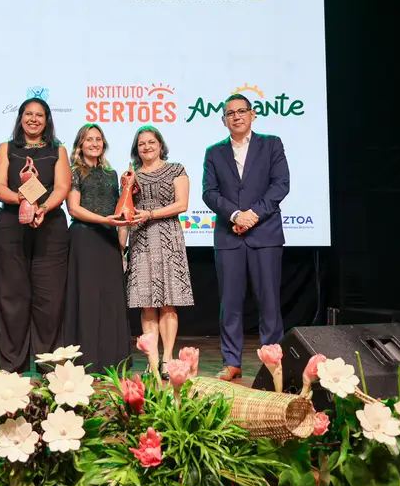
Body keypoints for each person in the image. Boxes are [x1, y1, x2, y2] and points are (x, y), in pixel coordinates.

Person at [202, 93, 290, 380]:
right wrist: (235, 216)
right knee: (230, 304)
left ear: (252, 115)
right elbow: (209, 193)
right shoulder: (214, 152)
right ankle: (232, 362)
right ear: (223, 120)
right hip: (229, 237)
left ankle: (272, 363)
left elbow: (281, 184)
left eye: (242, 111)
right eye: (230, 113)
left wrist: (253, 214)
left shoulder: (272, 144)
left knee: (269, 303)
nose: (236, 116)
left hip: (265, 234)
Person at [0, 97, 71, 373]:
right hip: (11, 226)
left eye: (39, 115)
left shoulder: (58, 150)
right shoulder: (7, 148)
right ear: (20, 118)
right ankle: (11, 365)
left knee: (49, 299)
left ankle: (49, 367)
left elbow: (62, 187)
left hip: (50, 226)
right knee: (11, 297)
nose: (33, 119)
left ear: (47, 120)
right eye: (28, 114)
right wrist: (23, 201)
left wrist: (43, 208)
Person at [120, 126, 194, 377]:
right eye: (141, 144)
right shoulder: (132, 175)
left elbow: (182, 204)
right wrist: (121, 247)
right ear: (136, 148)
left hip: (168, 239)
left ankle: (167, 359)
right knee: (147, 304)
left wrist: (150, 213)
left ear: (160, 145)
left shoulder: (176, 169)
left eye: (151, 142)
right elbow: (125, 210)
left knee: (168, 304)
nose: (147, 147)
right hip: (141, 241)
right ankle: (152, 361)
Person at [62, 124, 131, 374]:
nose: (94, 143)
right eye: (89, 139)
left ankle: (111, 361)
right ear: (80, 145)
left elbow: (120, 212)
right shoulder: (74, 172)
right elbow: (74, 208)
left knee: (110, 300)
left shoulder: (112, 175)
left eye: (98, 139)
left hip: (109, 240)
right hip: (84, 239)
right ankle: (86, 360)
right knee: (87, 298)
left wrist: (122, 246)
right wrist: (105, 220)